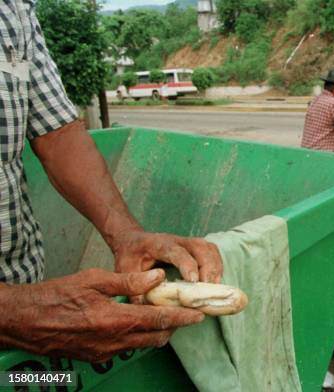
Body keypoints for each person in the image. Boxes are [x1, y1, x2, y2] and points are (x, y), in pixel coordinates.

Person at [0, 2, 222, 361]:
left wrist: (126, 236)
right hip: (19, 316)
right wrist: (11, 312)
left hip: (25, 307)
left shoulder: (13, 8)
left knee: (37, 381)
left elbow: (56, 133)